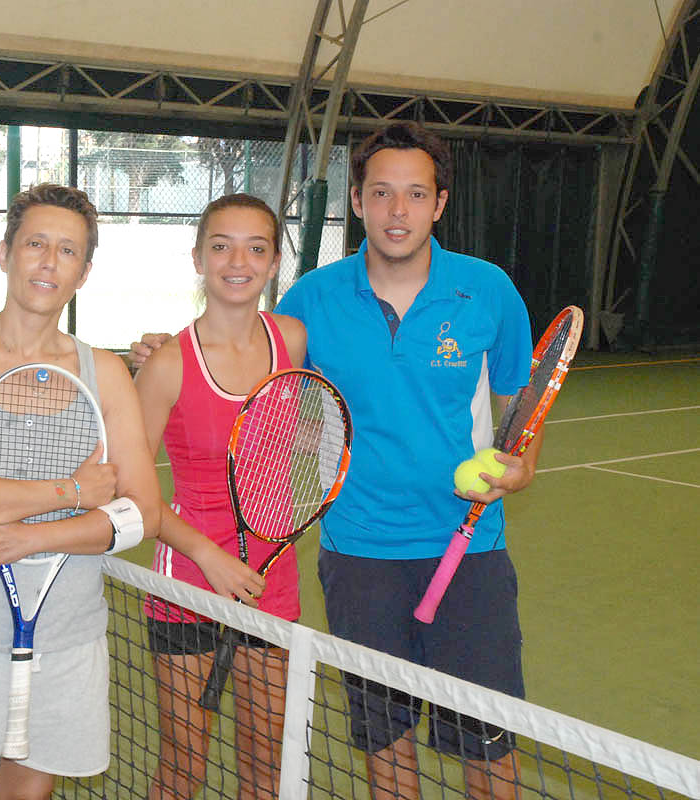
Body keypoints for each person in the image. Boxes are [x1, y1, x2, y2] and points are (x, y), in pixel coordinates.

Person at [131, 121, 538, 800]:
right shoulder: (311, 303)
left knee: (488, 746)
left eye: (415, 194)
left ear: (439, 204)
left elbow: (519, 396)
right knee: (383, 742)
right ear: (357, 201)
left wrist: (521, 464)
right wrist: (156, 351)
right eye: (381, 193)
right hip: (358, 556)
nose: (397, 210)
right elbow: (240, 335)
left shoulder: (488, 290)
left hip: (468, 551)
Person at [0, 183, 161, 800]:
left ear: (85, 271)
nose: (49, 262)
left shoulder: (105, 372)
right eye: (35, 244)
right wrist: (71, 491)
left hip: (65, 640)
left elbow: (142, 513)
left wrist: (32, 538)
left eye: (68, 251)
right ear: (5, 253)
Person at [133, 194, 306, 800]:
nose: (239, 262)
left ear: (275, 261)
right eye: (222, 246)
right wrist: (208, 557)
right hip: (188, 582)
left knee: (266, 764)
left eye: (256, 248)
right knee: (183, 767)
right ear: (198, 258)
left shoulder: (291, 339)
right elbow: (134, 489)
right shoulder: (167, 364)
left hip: (271, 581)